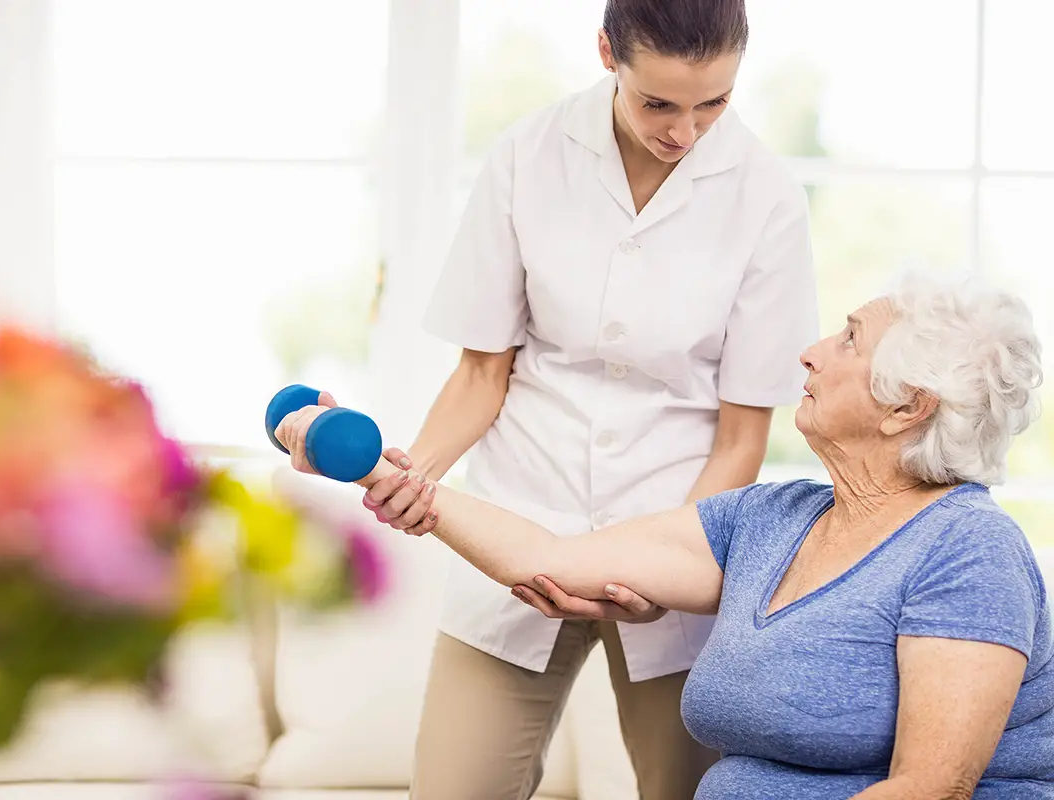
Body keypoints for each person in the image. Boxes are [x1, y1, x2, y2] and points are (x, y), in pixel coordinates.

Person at [275, 274, 1052, 799]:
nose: (811, 351)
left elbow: (928, 791)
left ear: (906, 407)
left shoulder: (967, 551)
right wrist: (382, 474)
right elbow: (554, 559)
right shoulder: (771, 518)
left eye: (848, 340)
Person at [358, 0, 817, 796]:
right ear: (608, 51)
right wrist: (415, 476)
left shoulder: (767, 195)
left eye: (714, 102)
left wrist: (662, 572)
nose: (685, 131)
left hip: (670, 542)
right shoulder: (527, 155)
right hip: (519, 527)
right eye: (658, 103)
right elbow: (480, 375)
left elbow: (742, 439)